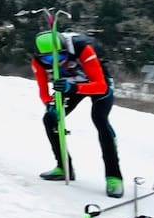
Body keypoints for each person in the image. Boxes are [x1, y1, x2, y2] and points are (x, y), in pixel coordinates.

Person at [31, 29, 124, 198]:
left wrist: (73, 88)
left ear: (65, 50)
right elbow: (43, 90)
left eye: (58, 57)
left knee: (99, 119)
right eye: (48, 59)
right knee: (50, 119)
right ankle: (63, 166)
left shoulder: (82, 48)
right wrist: (49, 104)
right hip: (69, 84)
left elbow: (100, 86)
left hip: (96, 82)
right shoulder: (37, 61)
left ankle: (114, 176)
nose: (55, 63)